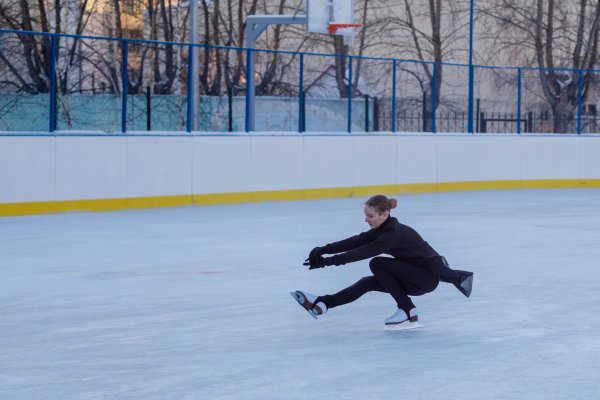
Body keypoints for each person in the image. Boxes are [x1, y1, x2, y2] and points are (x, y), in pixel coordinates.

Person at [292, 194, 473, 330]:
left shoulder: (392, 235)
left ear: (384, 214)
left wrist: (326, 262)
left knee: (377, 263)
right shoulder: (384, 229)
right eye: (366, 215)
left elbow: (361, 253)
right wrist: (322, 250)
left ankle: (407, 308)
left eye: (370, 216)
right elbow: (356, 241)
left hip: (424, 277)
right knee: (367, 283)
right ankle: (324, 304)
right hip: (416, 276)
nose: (366, 220)